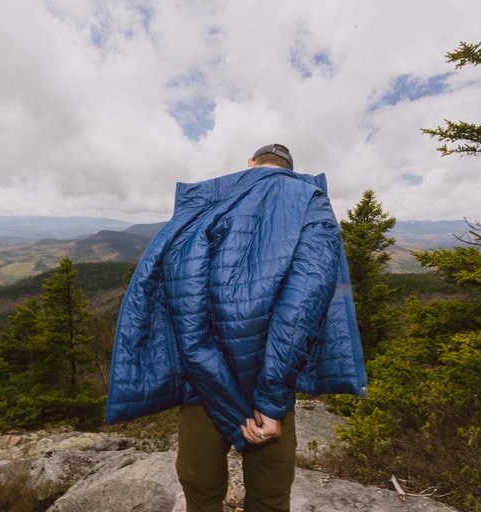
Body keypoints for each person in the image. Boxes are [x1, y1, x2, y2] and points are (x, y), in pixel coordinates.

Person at [106, 143, 367, 512]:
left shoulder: (207, 201)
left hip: (205, 386)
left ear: (250, 164)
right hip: (269, 382)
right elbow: (300, 311)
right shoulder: (310, 200)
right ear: (289, 169)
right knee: (269, 499)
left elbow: (184, 297)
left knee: (201, 491)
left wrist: (206, 369)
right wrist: (272, 401)